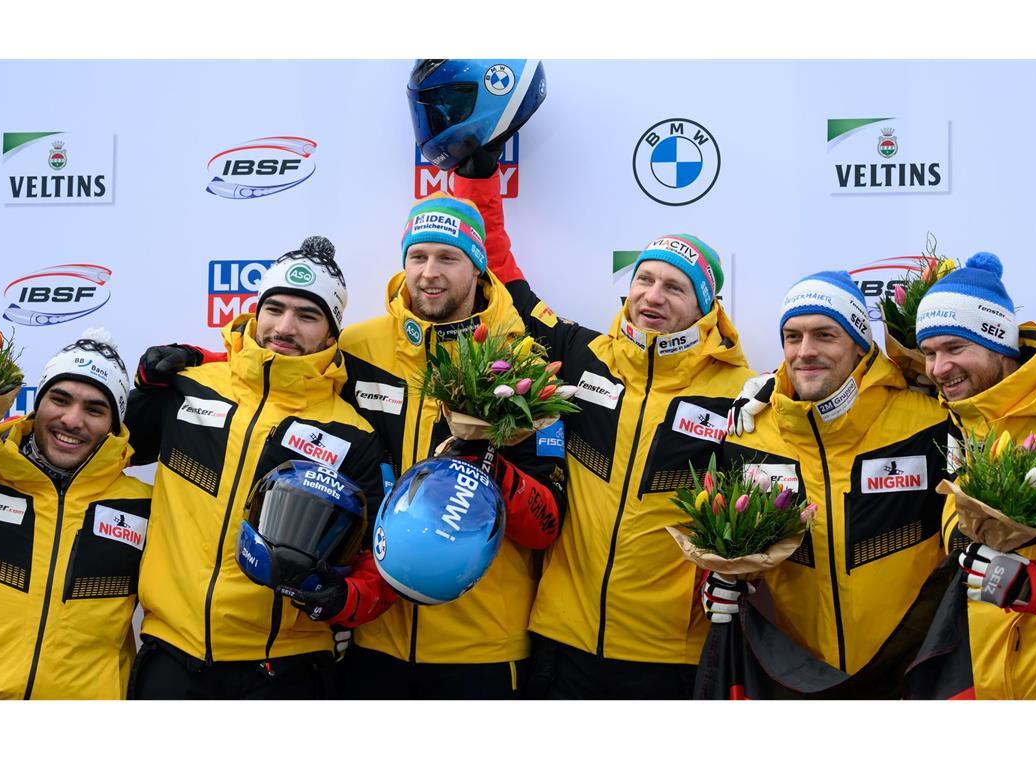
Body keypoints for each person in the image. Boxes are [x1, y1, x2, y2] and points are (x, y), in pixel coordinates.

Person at [453, 161, 756, 699]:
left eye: (675, 288)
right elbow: (502, 280)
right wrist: (478, 179)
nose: (653, 297)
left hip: (670, 653)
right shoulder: (581, 354)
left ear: (705, 307)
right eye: (644, 278)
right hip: (561, 636)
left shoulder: (742, 393)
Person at [124, 236, 393, 699]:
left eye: (307, 315)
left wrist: (345, 600)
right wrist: (145, 390)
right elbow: (101, 453)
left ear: (332, 335)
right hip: (172, 653)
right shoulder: (189, 387)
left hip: (284, 667)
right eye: (275, 308)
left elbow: (377, 561)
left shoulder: (355, 435)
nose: (285, 327)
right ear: (255, 313)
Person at [336, 192, 567, 699]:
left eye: (448, 257)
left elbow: (547, 524)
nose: (429, 273)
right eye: (418, 256)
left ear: (478, 268)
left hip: (481, 647)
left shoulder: (521, 360)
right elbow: (282, 364)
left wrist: (491, 468)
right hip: (376, 639)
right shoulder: (358, 348)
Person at [700, 271, 952, 695]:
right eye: (792, 337)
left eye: (825, 335)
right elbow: (737, 550)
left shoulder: (931, 422)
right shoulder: (748, 433)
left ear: (859, 343)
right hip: (793, 678)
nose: (805, 352)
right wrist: (724, 583)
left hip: (907, 677)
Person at [915, 252, 1036, 699]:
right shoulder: (958, 430)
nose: (939, 368)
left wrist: (1032, 585)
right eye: (929, 352)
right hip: (984, 685)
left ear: (1001, 347)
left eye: (956, 348)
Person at [0, 329, 149, 699]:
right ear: (37, 405)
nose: (72, 419)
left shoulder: (144, 507)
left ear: (114, 426)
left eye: (95, 409)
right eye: (59, 400)